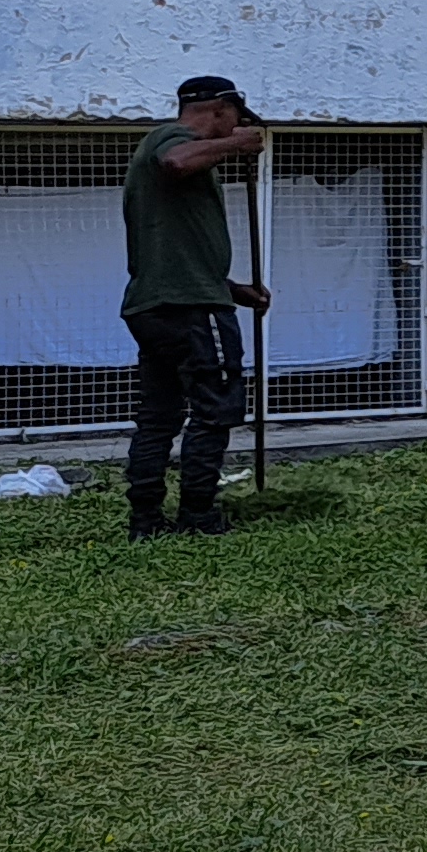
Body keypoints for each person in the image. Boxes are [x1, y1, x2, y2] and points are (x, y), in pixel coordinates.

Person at [124, 74, 270, 536]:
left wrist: (231, 289)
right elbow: (176, 162)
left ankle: (145, 520)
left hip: (157, 305)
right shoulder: (173, 140)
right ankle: (199, 516)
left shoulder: (152, 156)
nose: (236, 130)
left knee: (160, 415)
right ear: (222, 110)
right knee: (215, 409)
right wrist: (236, 146)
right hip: (191, 309)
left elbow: (176, 251)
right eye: (236, 122)